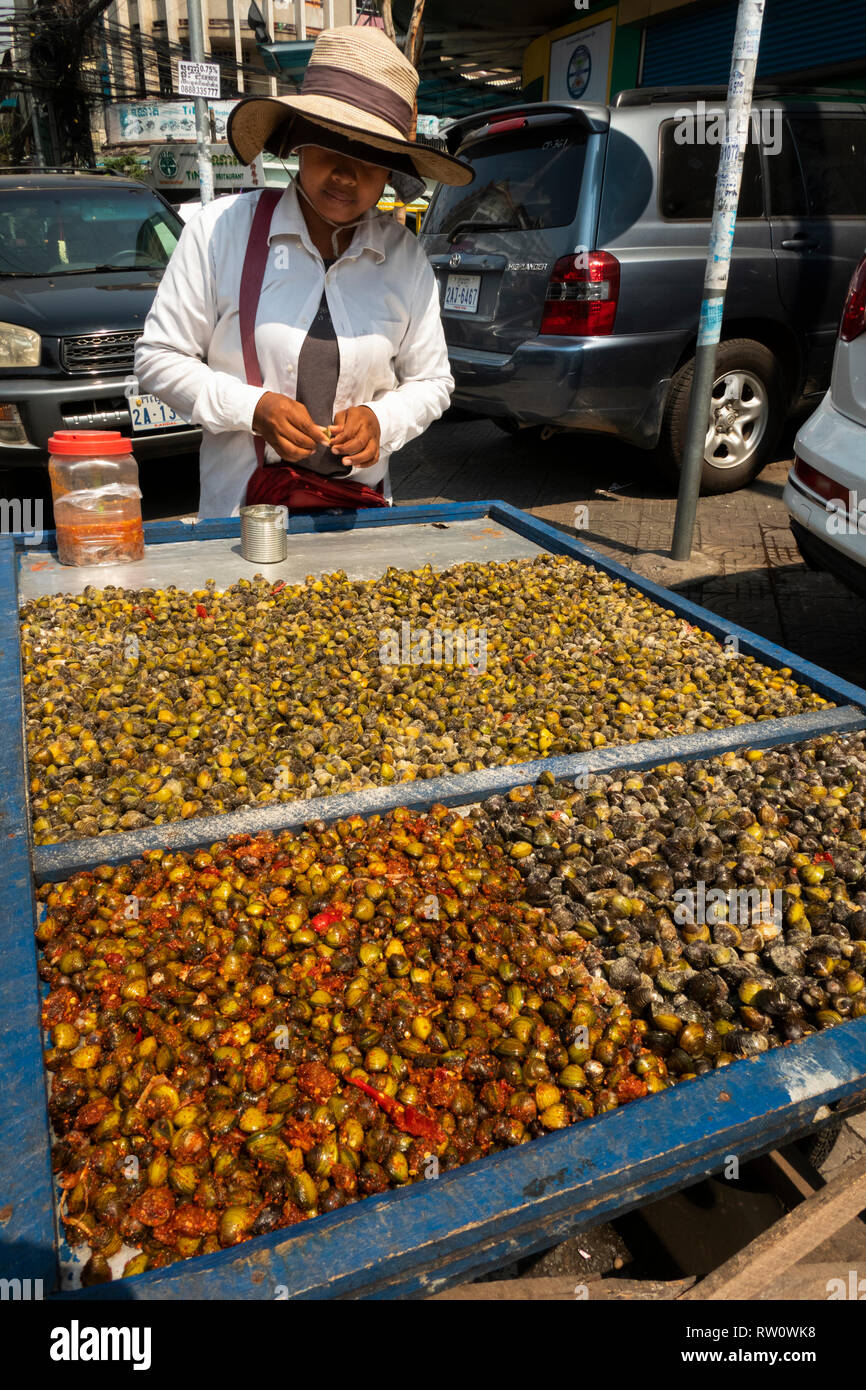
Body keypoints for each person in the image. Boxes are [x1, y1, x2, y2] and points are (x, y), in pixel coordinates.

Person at [134, 24, 473, 519]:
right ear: (298, 142)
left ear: (391, 171)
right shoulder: (219, 231)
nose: (346, 175)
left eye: (371, 160)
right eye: (332, 144)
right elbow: (158, 358)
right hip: (241, 516)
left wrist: (381, 420)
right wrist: (253, 408)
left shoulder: (402, 256)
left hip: (358, 517)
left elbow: (433, 381)